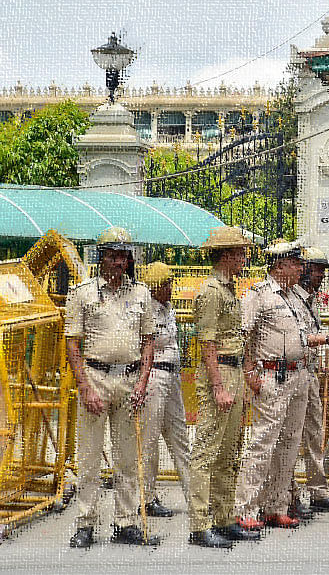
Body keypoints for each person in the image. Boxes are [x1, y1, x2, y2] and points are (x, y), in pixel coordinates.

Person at [65, 226, 159, 548]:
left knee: (129, 458)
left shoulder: (142, 295)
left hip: (130, 380)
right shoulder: (82, 293)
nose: (119, 262)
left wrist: (143, 382)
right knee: (89, 458)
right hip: (95, 379)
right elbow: (73, 345)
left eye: (124, 256)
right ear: (100, 258)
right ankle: (85, 523)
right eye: (113, 255)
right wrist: (85, 386)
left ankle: (126, 522)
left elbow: (149, 342)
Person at [234, 241, 316, 530]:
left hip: (298, 376)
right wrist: (248, 373)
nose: (300, 267)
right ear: (280, 265)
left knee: (289, 445)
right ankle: (246, 508)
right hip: (271, 377)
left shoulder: (295, 297)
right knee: (262, 444)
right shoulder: (259, 295)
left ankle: (276, 505)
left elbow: (305, 335)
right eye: (295, 262)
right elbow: (243, 335)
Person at [188, 225, 259, 549]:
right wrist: (218, 386)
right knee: (206, 452)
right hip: (219, 375)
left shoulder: (229, 289)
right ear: (227, 255)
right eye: (241, 253)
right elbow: (208, 343)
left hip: (233, 374)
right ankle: (200, 524)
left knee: (229, 453)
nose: (245, 258)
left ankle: (224, 518)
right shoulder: (212, 292)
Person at [287, 246, 329, 519]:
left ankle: (318, 490)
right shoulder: (291, 298)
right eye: (318, 270)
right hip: (293, 372)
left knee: (315, 431)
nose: (321, 275)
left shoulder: (311, 299)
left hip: (310, 371)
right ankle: (289, 493)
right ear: (305, 270)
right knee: (290, 436)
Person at [139, 262, 192, 520]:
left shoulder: (168, 309)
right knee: (149, 440)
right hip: (154, 376)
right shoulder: (145, 310)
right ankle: (145, 498)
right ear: (156, 287)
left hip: (172, 376)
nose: (171, 288)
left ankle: (196, 498)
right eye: (167, 284)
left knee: (180, 437)